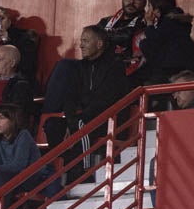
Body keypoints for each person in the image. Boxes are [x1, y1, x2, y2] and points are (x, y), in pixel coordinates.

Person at [41, 25, 131, 164]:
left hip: (109, 119)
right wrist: (71, 119)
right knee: (52, 124)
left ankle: (83, 174)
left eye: (85, 41)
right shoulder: (80, 67)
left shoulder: (115, 66)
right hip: (82, 119)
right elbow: (69, 96)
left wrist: (78, 120)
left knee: (81, 125)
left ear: (99, 44)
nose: (81, 45)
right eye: (81, 41)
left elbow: (105, 100)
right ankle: (62, 167)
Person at [0, 103, 44, 192]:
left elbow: (19, 165)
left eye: (1, 118)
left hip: (31, 177)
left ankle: (1, 206)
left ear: (13, 120)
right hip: (12, 178)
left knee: (2, 176)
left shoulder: (23, 135)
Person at [138, 0, 194, 85]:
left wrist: (149, 23)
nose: (147, 10)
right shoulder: (177, 21)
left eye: (149, 6)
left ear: (156, 10)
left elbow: (156, 40)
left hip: (170, 69)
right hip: (180, 65)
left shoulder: (169, 22)